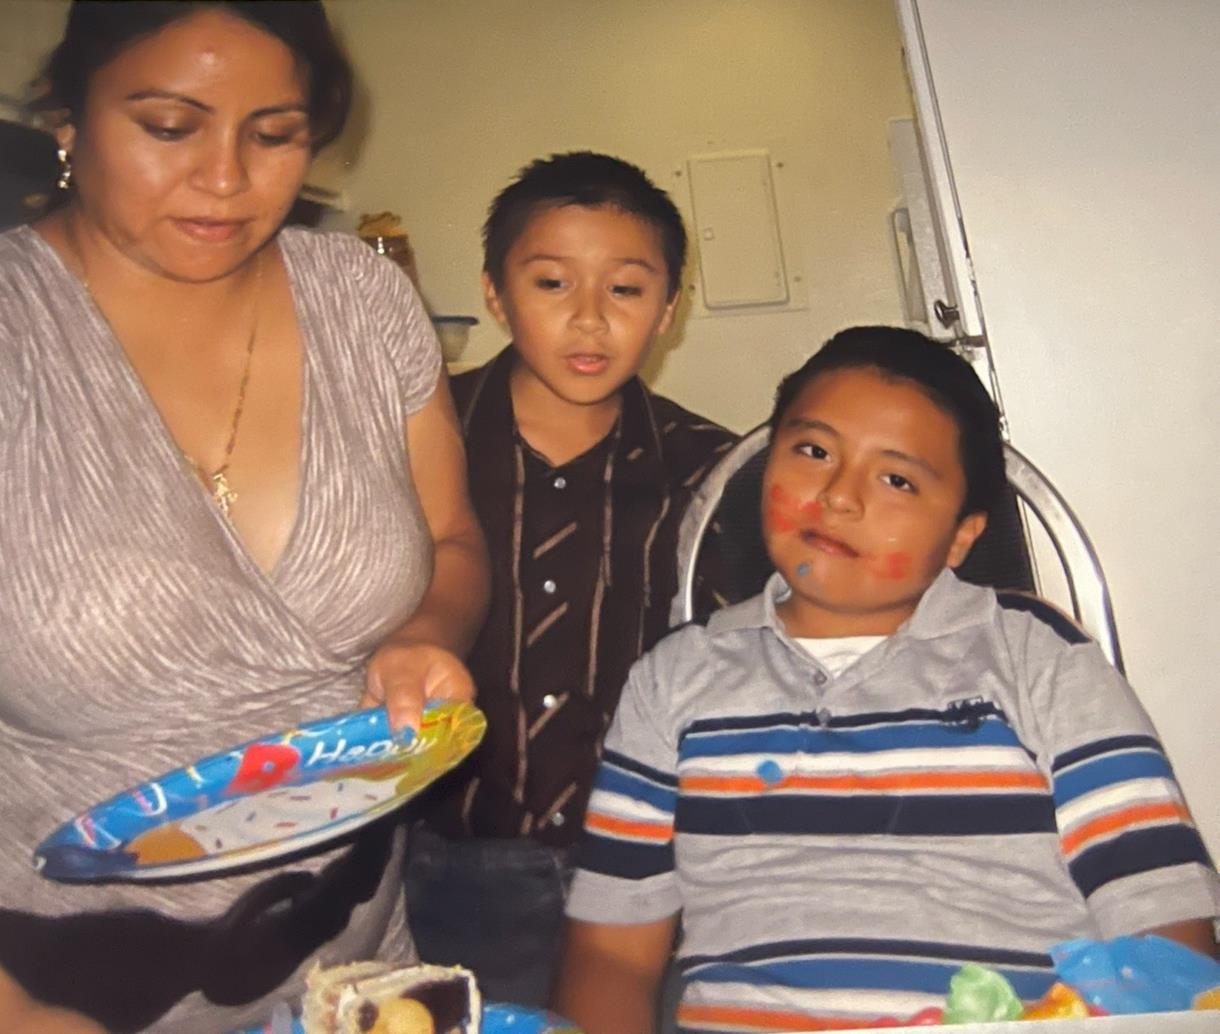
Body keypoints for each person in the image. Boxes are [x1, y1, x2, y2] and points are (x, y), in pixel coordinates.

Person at [0, 3, 488, 1032]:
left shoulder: (362, 298)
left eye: (273, 134)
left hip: (355, 967)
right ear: (66, 117)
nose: (226, 177)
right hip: (64, 987)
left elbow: (451, 541)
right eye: (170, 127)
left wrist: (424, 633)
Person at [553, 326, 1219, 1034]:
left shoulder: (1041, 660)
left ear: (963, 535)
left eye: (896, 479)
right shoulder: (674, 678)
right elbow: (613, 955)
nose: (838, 497)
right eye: (813, 452)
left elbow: (1159, 927)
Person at [403, 152, 737, 1006]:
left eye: (625, 291)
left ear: (668, 308)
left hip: (652, 872)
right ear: (494, 292)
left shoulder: (714, 471)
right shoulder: (416, 445)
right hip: (448, 871)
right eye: (552, 284)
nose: (589, 321)